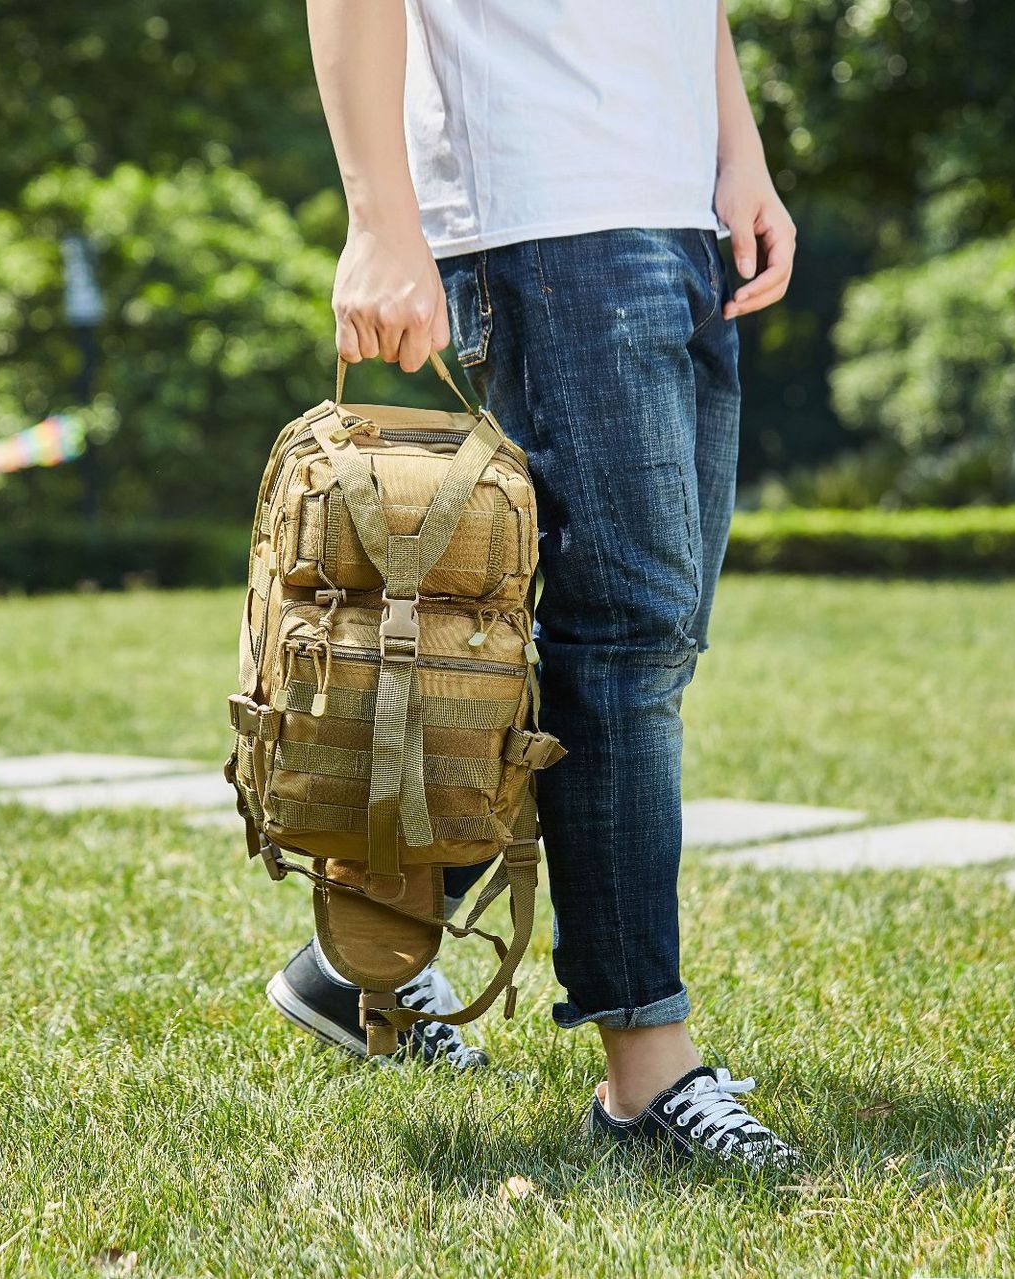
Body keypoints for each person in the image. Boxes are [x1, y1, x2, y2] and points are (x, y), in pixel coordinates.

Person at [264, 0, 800, 1169]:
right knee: (621, 650)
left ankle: (364, 952)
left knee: (638, 652)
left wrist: (738, 154)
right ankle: (647, 1072)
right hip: (544, 219)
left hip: (676, 219)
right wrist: (380, 222)